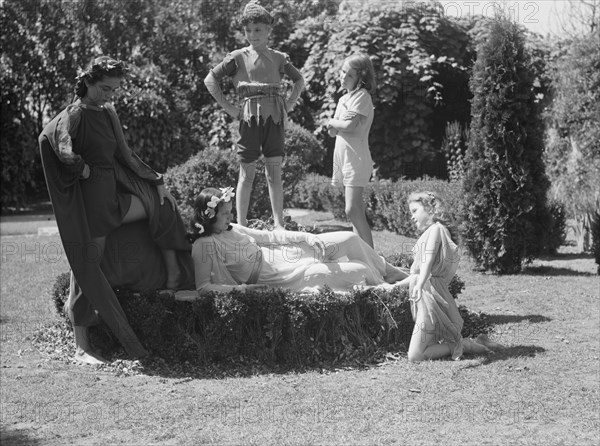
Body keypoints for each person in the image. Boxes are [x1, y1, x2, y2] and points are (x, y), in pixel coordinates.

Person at [38, 56, 193, 365]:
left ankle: (172, 276)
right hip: (93, 202)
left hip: (115, 195)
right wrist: (80, 167)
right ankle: (82, 347)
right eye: (105, 88)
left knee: (160, 206)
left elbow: (126, 154)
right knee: (86, 272)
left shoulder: (107, 112)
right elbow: (57, 141)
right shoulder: (75, 113)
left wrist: (157, 182)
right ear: (88, 83)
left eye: (115, 89)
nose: (111, 95)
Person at [184, 187, 408, 294]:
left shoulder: (233, 228)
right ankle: (391, 289)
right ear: (209, 216)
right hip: (282, 277)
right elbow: (203, 287)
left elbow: (271, 236)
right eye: (225, 214)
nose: (230, 217)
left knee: (349, 238)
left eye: (230, 212)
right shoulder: (204, 245)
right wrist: (245, 290)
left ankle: (391, 273)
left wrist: (307, 238)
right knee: (358, 270)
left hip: (285, 255)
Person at [203, 0, 305, 230]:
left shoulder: (280, 58)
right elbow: (210, 79)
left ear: (269, 30)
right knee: (246, 174)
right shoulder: (237, 57)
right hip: (249, 120)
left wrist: (288, 104)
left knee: (274, 174)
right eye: (248, 30)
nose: (252, 34)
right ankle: (241, 224)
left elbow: (299, 80)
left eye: (258, 29)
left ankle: (279, 224)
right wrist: (229, 107)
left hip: (275, 119)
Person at [394, 192, 504, 362]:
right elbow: (418, 272)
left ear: (430, 209)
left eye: (415, 211)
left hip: (431, 296)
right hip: (428, 293)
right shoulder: (433, 231)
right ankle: (470, 342)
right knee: (417, 353)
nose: (411, 216)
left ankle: (464, 345)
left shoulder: (437, 228)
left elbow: (428, 262)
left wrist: (419, 283)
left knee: (415, 355)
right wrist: (395, 285)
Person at [327, 54, 376, 248]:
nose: (343, 77)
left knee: (352, 210)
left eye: (349, 75)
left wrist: (332, 122)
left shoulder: (362, 96)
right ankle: (364, 257)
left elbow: (348, 125)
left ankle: (372, 259)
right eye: (343, 72)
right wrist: (336, 125)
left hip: (356, 159)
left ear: (360, 78)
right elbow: (332, 132)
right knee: (354, 212)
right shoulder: (343, 99)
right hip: (344, 159)